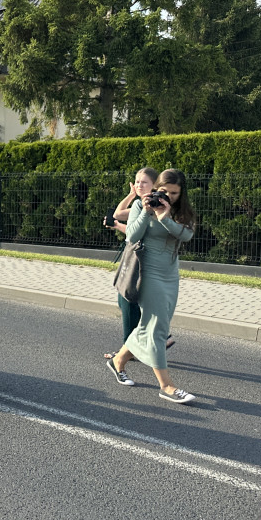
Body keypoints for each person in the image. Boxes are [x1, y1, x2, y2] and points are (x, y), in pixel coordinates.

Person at [105, 169, 197, 403]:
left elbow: (186, 236)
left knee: (152, 324)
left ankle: (118, 361)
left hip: (170, 275)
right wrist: (147, 211)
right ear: (157, 187)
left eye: (174, 193)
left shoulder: (181, 211)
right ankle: (166, 386)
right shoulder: (142, 205)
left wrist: (165, 216)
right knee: (157, 330)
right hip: (148, 274)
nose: (168, 196)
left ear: (181, 193)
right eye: (164, 191)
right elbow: (132, 236)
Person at [102, 167, 175, 361]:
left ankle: (130, 349)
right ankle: (153, 338)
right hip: (131, 255)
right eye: (136, 181)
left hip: (140, 258)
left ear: (154, 186)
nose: (138, 185)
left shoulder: (154, 205)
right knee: (126, 301)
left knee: (128, 301)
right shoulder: (138, 203)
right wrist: (131, 194)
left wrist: (117, 226)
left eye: (144, 182)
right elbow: (118, 213)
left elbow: (137, 232)